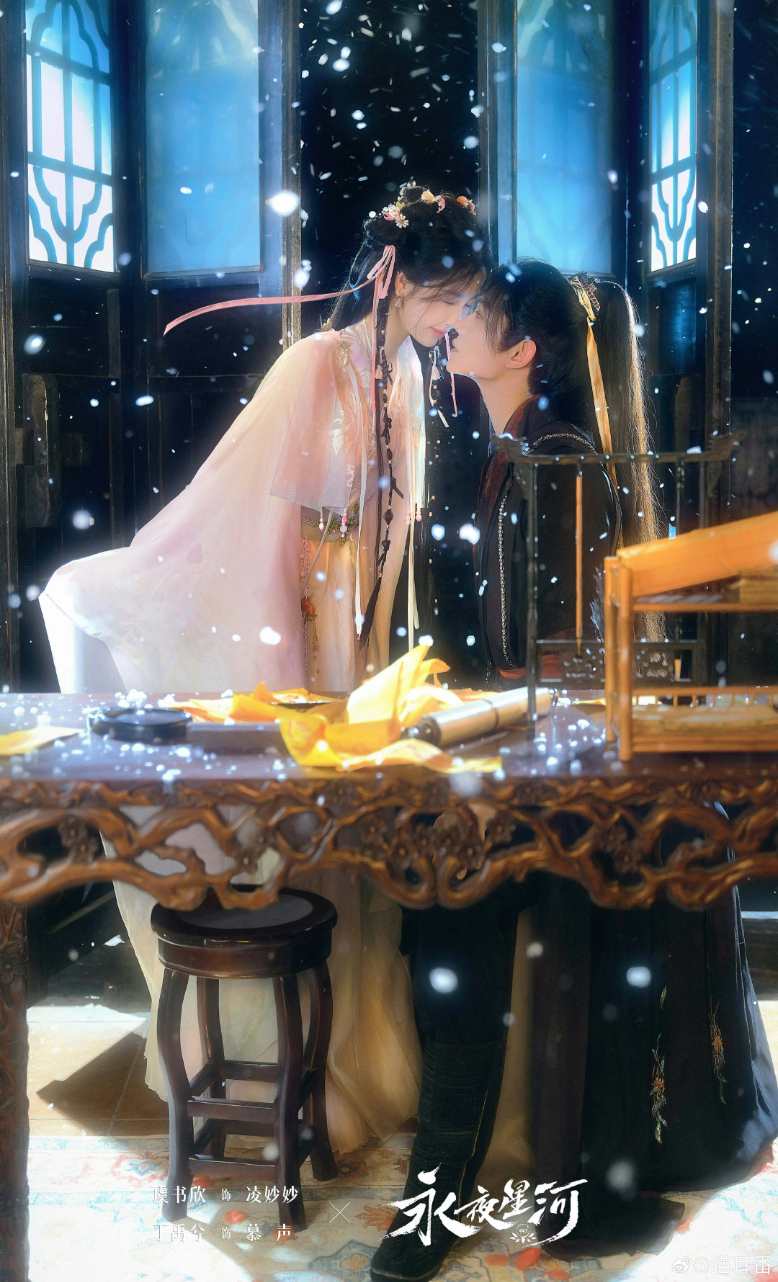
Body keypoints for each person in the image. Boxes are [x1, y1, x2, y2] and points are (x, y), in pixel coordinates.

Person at [38, 183, 490, 1157]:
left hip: (358, 634)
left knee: (357, 857)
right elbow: (258, 532)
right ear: (393, 276)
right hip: (296, 623)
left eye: (463, 300)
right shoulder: (314, 366)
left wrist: (374, 651)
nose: (453, 316)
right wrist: (295, 663)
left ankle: (350, 1062)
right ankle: (280, 1073)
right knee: (299, 838)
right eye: (444, 294)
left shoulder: (409, 373)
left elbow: (391, 538)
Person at [370, 260, 778, 1280]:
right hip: (538, 745)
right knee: (428, 888)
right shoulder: (515, 446)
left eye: (477, 314)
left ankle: (435, 1196)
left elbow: (565, 665)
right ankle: (438, 1177)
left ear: (523, 351)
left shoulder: (556, 458)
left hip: (566, 767)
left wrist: (477, 719)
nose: (454, 324)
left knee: (450, 909)